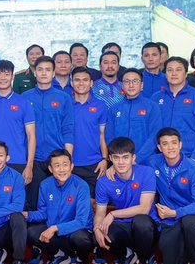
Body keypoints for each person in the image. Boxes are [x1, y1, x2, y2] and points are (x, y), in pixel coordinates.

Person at [144, 128, 195, 264]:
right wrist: (112, 167)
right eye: (165, 144)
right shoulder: (153, 162)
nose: (170, 147)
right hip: (169, 220)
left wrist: (175, 212)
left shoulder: (193, 169)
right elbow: (134, 168)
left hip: (191, 216)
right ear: (159, 148)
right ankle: (186, 247)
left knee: (189, 221)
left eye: (174, 143)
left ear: (180, 144)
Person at [94, 137, 157, 264]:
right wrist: (97, 228)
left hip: (148, 226)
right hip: (124, 225)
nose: (121, 162)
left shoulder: (146, 172)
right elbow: (100, 213)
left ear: (133, 158)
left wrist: (113, 214)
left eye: (125, 157)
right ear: (110, 158)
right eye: (116, 157)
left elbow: (144, 208)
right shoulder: (104, 181)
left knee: (142, 221)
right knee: (97, 233)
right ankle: (127, 254)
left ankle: (143, 261)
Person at [24, 149, 94, 264]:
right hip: (57, 233)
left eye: (65, 164)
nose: (62, 169)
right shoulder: (45, 185)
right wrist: (26, 216)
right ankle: (59, 254)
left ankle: (82, 261)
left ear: (72, 166)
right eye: (57, 165)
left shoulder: (81, 186)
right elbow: (44, 213)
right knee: (31, 232)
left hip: (76, 232)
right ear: (50, 169)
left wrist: (55, 228)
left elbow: (81, 221)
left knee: (81, 238)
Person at [0, 60, 36, 207]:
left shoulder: (23, 102)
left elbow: (31, 136)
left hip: (18, 162)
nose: (3, 78)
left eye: (6, 74)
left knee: (17, 207)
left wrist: (29, 166)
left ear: (12, 77)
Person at [22, 56, 74, 209]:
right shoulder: (25, 98)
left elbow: (68, 129)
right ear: (34, 73)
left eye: (48, 70)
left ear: (53, 73)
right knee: (34, 203)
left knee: (59, 203)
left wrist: (68, 160)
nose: (44, 73)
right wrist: (28, 163)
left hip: (57, 158)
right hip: (33, 159)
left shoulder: (64, 98)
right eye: (40, 69)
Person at [152, 57, 195, 168]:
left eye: (178, 69)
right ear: (165, 74)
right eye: (169, 70)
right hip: (161, 158)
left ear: (186, 74)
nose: (174, 73)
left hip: (190, 158)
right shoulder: (156, 97)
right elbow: (152, 129)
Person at [105, 68, 162, 164]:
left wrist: (137, 158)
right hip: (120, 163)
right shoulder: (114, 109)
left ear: (142, 84)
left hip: (146, 161)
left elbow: (154, 136)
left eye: (135, 81)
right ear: (122, 85)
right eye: (127, 81)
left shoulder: (152, 106)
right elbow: (109, 136)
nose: (131, 85)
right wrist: (120, 158)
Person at [70, 67, 109, 198]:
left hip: (94, 164)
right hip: (70, 164)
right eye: (77, 80)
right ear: (72, 83)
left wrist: (104, 159)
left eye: (85, 80)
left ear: (91, 83)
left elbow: (103, 135)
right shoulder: (65, 104)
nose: (81, 83)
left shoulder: (101, 106)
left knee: (94, 205)